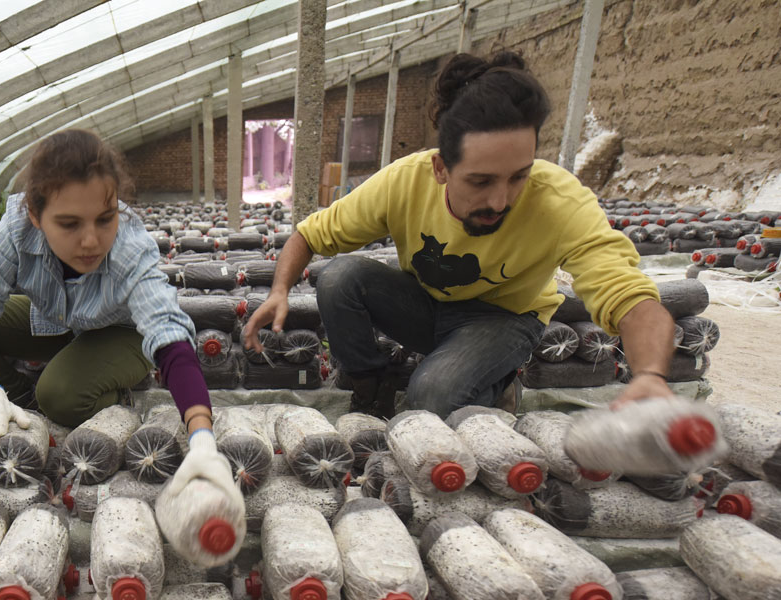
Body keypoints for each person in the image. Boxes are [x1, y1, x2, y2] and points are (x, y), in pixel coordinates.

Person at [243, 50, 676, 419]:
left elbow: (629, 296)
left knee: (431, 396)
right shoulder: (404, 181)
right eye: (481, 181)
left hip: (503, 320)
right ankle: (372, 382)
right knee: (339, 278)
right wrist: (280, 290)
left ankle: (492, 387)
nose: (502, 200)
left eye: (518, 176)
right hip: (427, 304)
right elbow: (310, 235)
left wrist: (651, 375)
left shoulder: (559, 200)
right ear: (441, 169)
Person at [0, 129, 241, 515]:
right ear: (36, 215)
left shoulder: (129, 246)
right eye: (69, 224)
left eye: (104, 219)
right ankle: (17, 400)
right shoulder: (16, 227)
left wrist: (202, 438)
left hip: (121, 334)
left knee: (61, 397)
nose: (90, 240)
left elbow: (169, 338)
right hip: (56, 322)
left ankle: (107, 389)